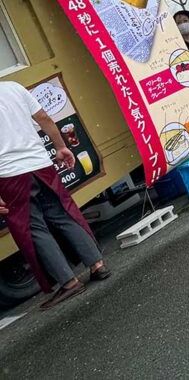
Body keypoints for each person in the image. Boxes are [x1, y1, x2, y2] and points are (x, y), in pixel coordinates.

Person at [0, 80, 108, 308]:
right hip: (40, 163)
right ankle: (97, 264)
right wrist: (60, 147)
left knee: (33, 227)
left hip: (9, 174)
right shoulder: (13, 87)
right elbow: (44, 119)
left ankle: (69, 282)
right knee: (62, 213)